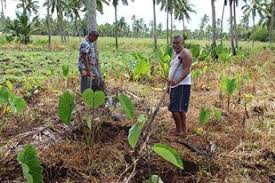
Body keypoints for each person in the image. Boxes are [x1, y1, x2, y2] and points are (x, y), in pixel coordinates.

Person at [168, 35, 192, 136]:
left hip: (182, 85)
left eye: (178, 43)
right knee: (179, 108)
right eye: (174, 43)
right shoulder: (175, 54)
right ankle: (182, 130)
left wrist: (177, 81)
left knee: (174, 108)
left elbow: (187, 70)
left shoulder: (185, 53)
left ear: (182, 43)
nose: (175, 45)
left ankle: (179, 130)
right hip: (175, 85)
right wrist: (168, 85)